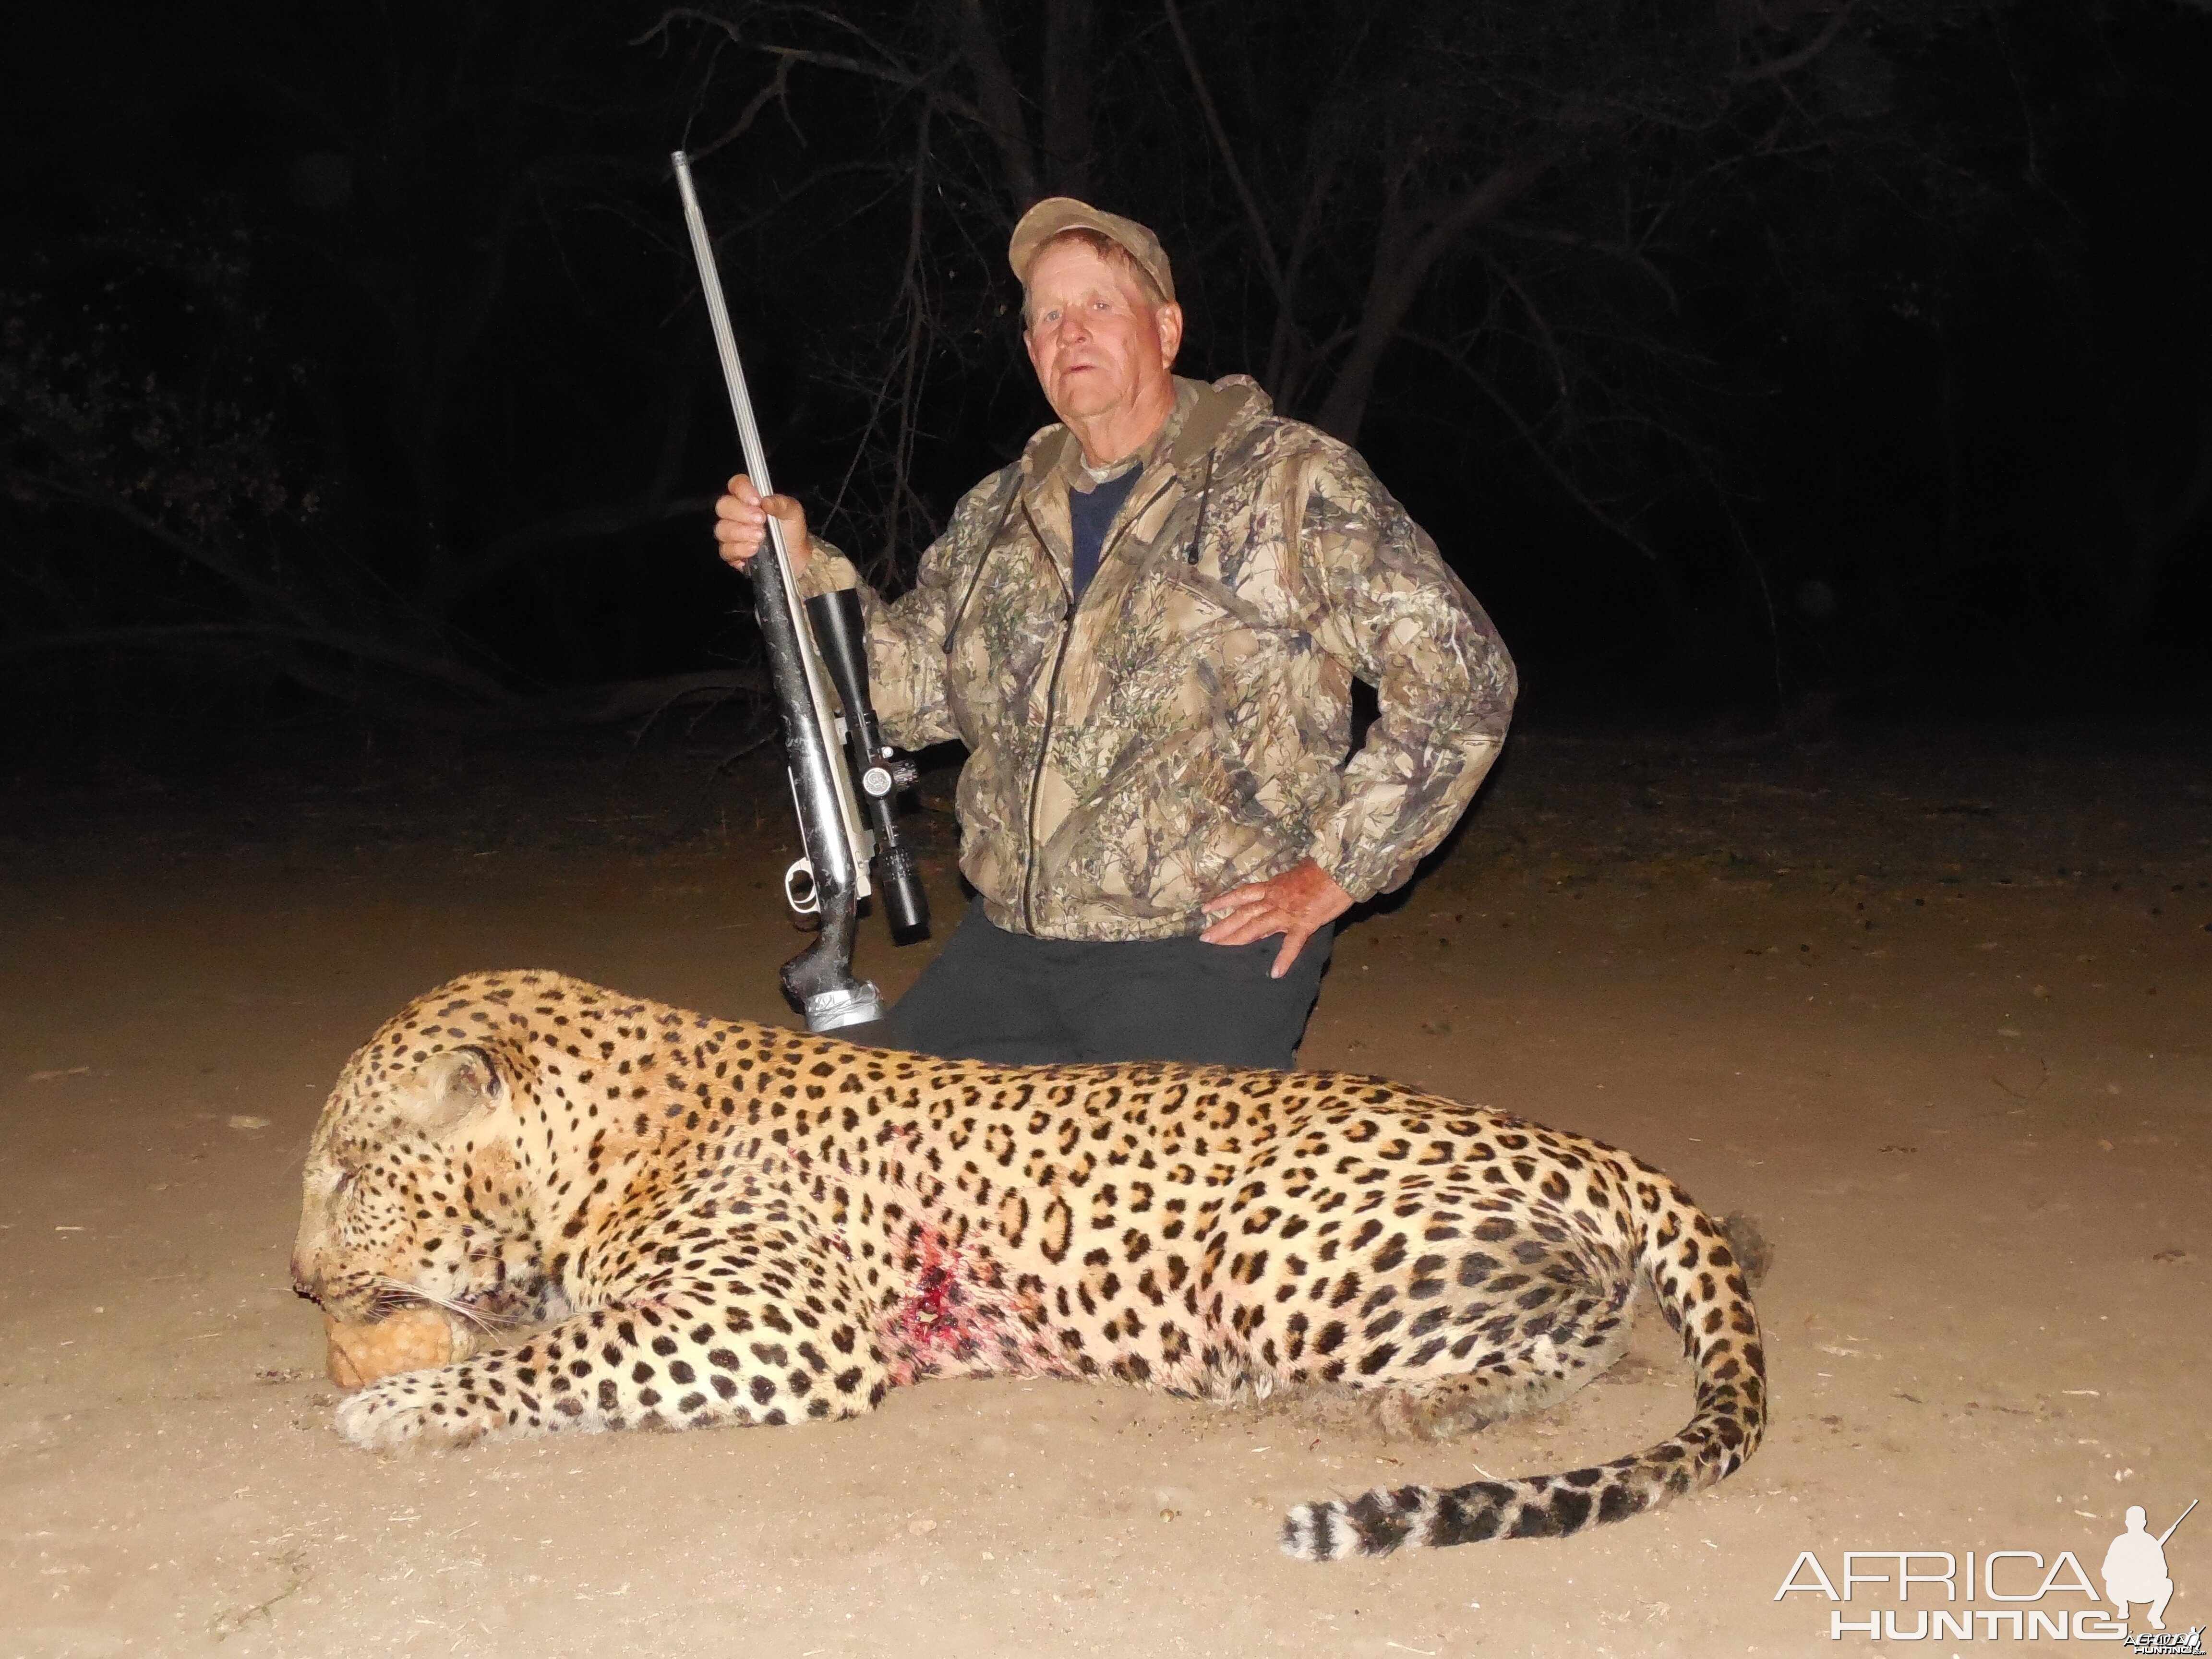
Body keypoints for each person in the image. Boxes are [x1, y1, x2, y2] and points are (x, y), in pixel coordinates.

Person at [714, 197, 1515, 1067]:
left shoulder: (1290, 480)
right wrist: (801, 569)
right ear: (1031, 352)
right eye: (1049, 316)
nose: (1072, 332)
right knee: (888, 1168)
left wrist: (1336, 872)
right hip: (1013, 945)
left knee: (1132, 1202)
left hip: (1201, 948)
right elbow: (901, 700)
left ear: (1166, 330)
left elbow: (1462, 680)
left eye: (1100, 305)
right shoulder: (995, 517)